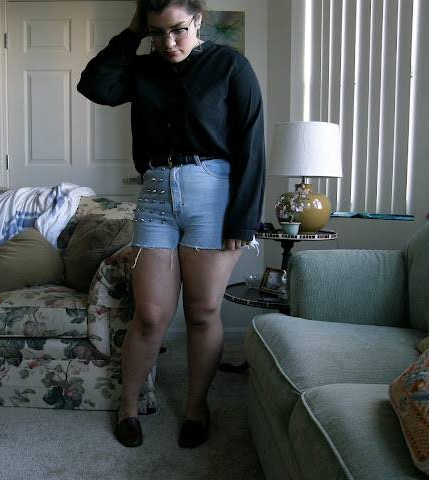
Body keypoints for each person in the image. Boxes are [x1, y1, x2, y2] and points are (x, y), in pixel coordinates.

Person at [77, 0, 265, 448]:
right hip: (156, 195)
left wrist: (243, 219)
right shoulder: (142, 69)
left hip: (214, 197)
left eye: (178, 29)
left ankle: (197, 407)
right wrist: (130, 33)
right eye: (157, 32)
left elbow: (251, 145)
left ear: (198, 19)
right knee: (151, 315)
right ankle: (128, 405)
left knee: (202, 313)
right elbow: (95, 85)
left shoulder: (230, 66)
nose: (168, 42)